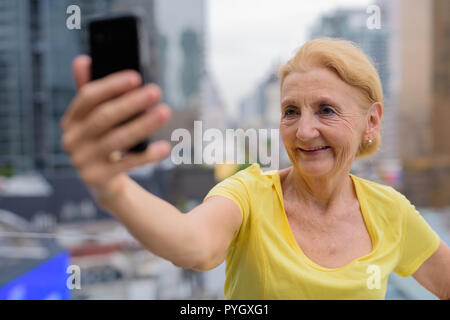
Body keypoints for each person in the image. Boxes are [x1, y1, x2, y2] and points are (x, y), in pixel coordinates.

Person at [60, 38, 450, 300]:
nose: (304, 130)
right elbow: (192, 244)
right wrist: (114, 188)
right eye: (290, 112)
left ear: (372, 122)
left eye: (326, 110)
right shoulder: (247, 194)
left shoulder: (390, 210)